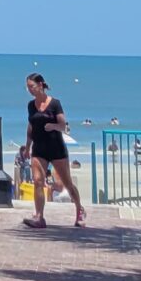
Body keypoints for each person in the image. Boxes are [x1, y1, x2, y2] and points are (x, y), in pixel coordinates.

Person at [23, 72, 85, 229]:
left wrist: (53, 126)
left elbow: (63, 126)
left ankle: (79, 210)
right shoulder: (31, 105)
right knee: (38, 181)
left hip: (56, 149)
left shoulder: (55, 104)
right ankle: (39, 217)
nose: (30, 90)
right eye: (28, 87)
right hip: (39, 149)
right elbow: (30, 127)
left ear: (41, 85)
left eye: (32, 86)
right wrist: (27, 147)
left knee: (67, 183)